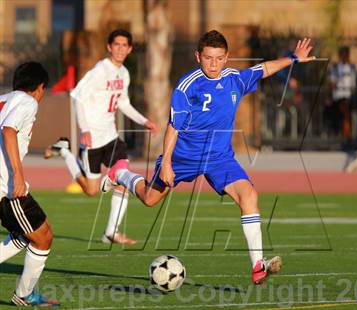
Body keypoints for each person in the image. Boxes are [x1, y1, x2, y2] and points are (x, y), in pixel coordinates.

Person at [101, 30, 316, 284]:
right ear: (197, 56)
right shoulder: (186, 86)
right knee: (149, 199)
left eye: (219, 58)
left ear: (227, 58)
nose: (213, 64)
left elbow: (263, 69)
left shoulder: (234, 79)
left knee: (249, 195)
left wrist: (293, 58)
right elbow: (174, 127)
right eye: (208, 58)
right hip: (183, 157)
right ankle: (121, 174)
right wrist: (167, 163)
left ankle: (258, 265)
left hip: (219, 159)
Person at [44, 29, 157, 245]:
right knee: (91, 190)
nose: (121, 49)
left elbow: (123, 103)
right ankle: (65, 151)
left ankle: (110, 233)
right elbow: (77, 97)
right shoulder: (99, 71)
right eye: (117, 44)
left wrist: (144, 121)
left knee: (123, 178)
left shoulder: (124, 73)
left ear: (130, 49)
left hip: (111, 137)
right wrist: (84, 130)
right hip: (93, 140)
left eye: (125, 45)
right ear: (109, 47)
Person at [0, 62, 60, 306]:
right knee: (43, 237)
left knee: (28, 233)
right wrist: (18, 174)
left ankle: (25, 293)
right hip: (6, 186)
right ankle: (24, 295)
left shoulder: (4, 98)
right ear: (40, 87)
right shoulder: (27, 101)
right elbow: (9, 131)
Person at [327, 46, 357, 138]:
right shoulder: (335, 67)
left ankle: (347, 135)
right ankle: (342, 135)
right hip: (338, 96)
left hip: (349, 95)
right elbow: (332, 81)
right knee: (341, 116)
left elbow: (355, 81)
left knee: (347, 116)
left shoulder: (352, 67)